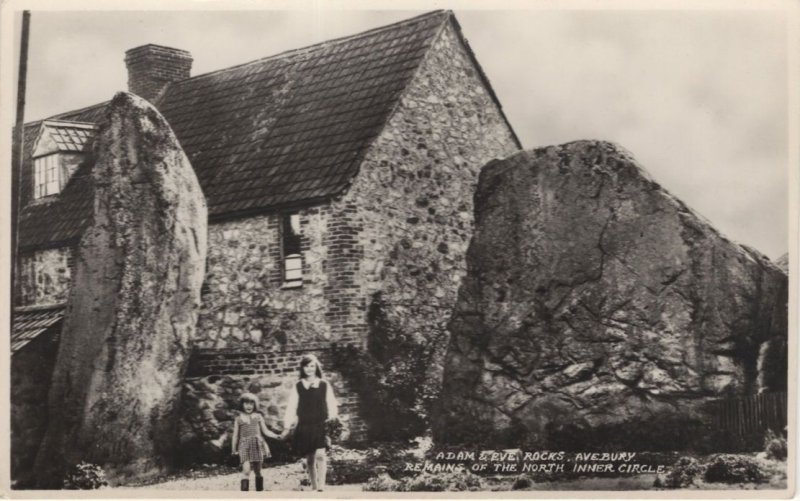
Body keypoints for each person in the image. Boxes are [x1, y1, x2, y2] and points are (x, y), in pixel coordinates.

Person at [281, 354, 338, 491]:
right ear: (303, 368)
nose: (309, 369)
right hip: (305, 425)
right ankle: (314, 485)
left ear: (316, 367)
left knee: (320, 455)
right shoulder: (298, 386)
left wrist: (332, 418)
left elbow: (331, 404)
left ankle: (321, 487)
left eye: (312, 366)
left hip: (320, 424)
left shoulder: (324, 385)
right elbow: (291, 407)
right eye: (306, 366)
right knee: (310, 458)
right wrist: (287, 427)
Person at [231, 392, 280, 491]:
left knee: (258, 471)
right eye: (246, 403)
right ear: (242, 405)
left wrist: (276, 436)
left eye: (251, 404)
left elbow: (265, 431)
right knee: (246, 471)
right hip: (244, 446)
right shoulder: (238, 419)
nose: (249, 406)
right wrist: (233, 450)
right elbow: (235, 436)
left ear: (254, 405)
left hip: (257, 444)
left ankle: (259, 493)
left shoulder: (258, 417)